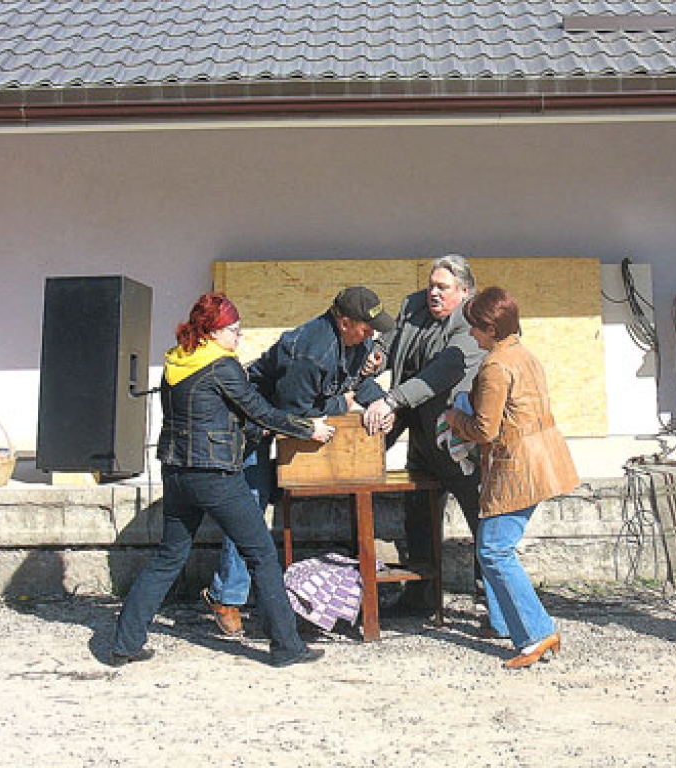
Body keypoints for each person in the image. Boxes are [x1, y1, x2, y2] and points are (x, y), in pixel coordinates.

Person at [111, 292, 333, 668]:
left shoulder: (176, 361)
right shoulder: (221, 366)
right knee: (261, 554)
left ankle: (124, 643)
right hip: (213, 474)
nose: (239, 336)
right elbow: (259, 409)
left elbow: (216, 413)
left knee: (169, 557)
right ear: (213, 332)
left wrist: (251, 430)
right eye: (234, 329)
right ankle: (286, 647)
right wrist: (306, 427)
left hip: (177, 472)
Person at [202, 286, 394, 636]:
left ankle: (261, 597)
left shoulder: (356, 339)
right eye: (366, 328)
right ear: (344, 321)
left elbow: (356, 382)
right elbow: (294, 415)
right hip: (254, 422)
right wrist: (344, 405)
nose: (371, 335)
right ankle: (226, 596)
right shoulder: (311, 352)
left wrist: (381, 403)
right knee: (250, 502)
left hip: (286, 417)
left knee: (260, 500)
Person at [444, 287, 579, 668]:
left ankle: (537, 633)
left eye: (475, 328)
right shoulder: (524, 354)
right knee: (493, 548)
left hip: (516, 466)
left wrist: (454, 418)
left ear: (490, 328)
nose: (471, 335)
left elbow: (484, 430)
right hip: (543, 459)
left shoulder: (495, 366)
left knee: (494, 550)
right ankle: (505, 624)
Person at [362, 255, 486, 613]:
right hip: (418, 433)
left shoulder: (473, 325)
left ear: (464, 292)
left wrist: (391, 401)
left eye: (442, 288)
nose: (432, 293)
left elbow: (441, 372)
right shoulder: (413, 305)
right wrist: (378, 355)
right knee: (418, 515)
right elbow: (391, 338)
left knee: (480, 518)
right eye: (431, 285)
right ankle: (420, 596)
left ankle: (494, 604)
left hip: (457, 437)